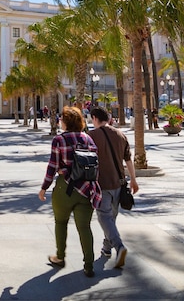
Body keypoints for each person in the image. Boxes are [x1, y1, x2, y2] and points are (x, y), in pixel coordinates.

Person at [38, 106, 101, 278]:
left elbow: (52, 166)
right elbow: (96, 165)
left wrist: (44, 187)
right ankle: (89, 265)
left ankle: (60, 256)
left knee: (61, 222)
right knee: (84, 227)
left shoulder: (59, 140)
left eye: (61, 119)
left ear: (66, 122)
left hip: (65, 188)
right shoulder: (88, 139)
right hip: (87, 189)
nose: (60, 121)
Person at [89, 107, 138, 269]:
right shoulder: (120, 135)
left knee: (104, 217)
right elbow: (128, 159)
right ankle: (106, 248)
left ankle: (119, 247)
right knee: (111, 219)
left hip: (102, 184)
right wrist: (133, 180)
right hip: (119, 183)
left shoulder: (91, 136)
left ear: (94, 118)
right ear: (108, 118)